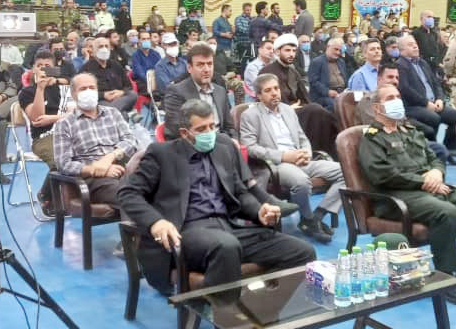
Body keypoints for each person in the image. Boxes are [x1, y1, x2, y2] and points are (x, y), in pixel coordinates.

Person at [117, 99, 315, 294]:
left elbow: (239, 193)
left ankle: (261, 305)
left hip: (228, 227)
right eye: (201, 129)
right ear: (185, 133)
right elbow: (128, 193)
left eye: (212, 126)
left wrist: (259, 210)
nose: (210, 133)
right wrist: (156, 222)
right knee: (226, 247)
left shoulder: (222, 150)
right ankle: (223, 311)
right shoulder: (162, 154)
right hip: (186, 232)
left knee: (302, 252)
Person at [359, 83, 456, 307]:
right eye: (390, 98)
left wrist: (436, 172)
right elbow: (381, 174)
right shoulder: (372, 137)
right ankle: (445, 276)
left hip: (431, 188)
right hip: (398, 195)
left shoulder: (411, 131)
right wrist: (424, 182)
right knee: (446, 212)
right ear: (377, 108)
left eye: (398, 96)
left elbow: (434, 157)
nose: (397, 101)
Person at [240, 73, 345, 243]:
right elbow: (250, 148)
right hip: (276, 164)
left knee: (344, 172)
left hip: (300, 159)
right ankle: (308, 218)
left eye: (276, 88)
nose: (274, 93)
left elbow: (302, 137)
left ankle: (316, 215)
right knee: (301, 181)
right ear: (258, 95)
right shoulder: (250, 115)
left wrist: (306, 153)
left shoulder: (288, 110)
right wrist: (284, 156)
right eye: (268, 90)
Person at [54, 73, 137, 209]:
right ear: (73, 95)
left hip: (122, 168)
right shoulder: (65, 124)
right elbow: (63, 164)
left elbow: (131, 140)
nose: (88, 91)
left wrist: (109, 158)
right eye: (83, 89)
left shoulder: (113, 113)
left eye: (92, 88)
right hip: (94, 180)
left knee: (157, 188)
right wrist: (94, 169)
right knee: (129, 196)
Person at [259, 34, 340, 155]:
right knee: (315, 110)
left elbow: (304, 96)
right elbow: (266, 101)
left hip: (299, 111)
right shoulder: (267, 72)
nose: (291, 54)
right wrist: (288, 108)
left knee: (323, 114)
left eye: (293, 51)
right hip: (278, 114)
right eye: (287, 50)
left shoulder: (293, 71)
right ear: (277, 51)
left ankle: (332, 151)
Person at [397, 34, 456, 153]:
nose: (415, 47)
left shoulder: (423, 63)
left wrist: (439, 99)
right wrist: (426, 103)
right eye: (410, 45)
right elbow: (406, 90)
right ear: (402, 50)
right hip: (414, 106)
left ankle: (450, 149)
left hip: (434, 103)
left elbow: (436, 83)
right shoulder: (400, 65)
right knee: (434, 118)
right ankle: (432, 151)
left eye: (415, 44)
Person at [162, 44, 234, 140]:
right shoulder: (176, 92)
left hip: (220, 142)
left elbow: (230, 127)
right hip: (193, 144)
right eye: (200, 65)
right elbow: (175, 132)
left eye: (209, 64)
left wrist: (232, 140)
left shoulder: (220, 91)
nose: (206, 70)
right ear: (189, 68)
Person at [20, 51, 68, 169]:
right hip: (43, 138)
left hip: (69, 133)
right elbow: (37, 119)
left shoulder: (65, 90)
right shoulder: (27, 92)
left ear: (54, 69)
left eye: (47, 66)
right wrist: (40, 88)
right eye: (39, 65)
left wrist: (52, 118)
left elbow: (77, 113)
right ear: (33, 69)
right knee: (61, 162)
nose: (43, 69)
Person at [81, 35, 138, 112]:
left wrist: (121, 92)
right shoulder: (86, 69)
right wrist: (103, 95)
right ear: (94, 50)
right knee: (122, 113)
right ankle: (117, 112)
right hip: (101, 100)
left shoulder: (116, 65)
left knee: (133, 94)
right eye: (100, 46)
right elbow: (83, 92)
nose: (104, 49)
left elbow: (128, 85)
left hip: (120, 97)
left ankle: (113, 111)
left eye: (106, 46)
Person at [307, 37, 347, 111]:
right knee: (335, 105)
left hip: (341, 93)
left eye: (340, 50)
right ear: (328, 47)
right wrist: (327, 91)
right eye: (336, 49)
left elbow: (345, 79)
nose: (338, 52)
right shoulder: (317, 62)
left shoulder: (341, 62)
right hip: (323, 95)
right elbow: (313, 82)